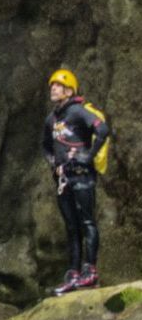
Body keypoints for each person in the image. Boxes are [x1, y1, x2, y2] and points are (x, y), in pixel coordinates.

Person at [43, 68, 111, 296]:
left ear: (69, 90)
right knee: (71, 227)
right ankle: (73, 273)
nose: (53, 88)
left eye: (58, 85)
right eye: (52, 85)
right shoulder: (51, 119)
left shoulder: (78, 112)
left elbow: (102, 129)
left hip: (82, 175)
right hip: (64, 179)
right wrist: (54, 164)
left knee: (87, 222)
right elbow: (46, 146)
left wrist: (88, 156)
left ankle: (90, 271)